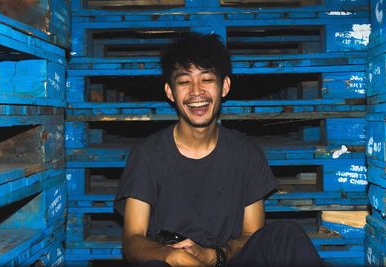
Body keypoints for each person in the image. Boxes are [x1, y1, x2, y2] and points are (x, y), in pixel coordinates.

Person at [114, 32, 324, 267]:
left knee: (286, 234)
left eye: (206, 80)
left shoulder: (247, 155)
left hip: (228, 261)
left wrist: (215, 255)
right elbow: (133, 240)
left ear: (224, 86)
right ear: (170, 92)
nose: (196, 92)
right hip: (170, 262)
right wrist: (170, 256)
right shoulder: (147, 155)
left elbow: (251, 236)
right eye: (184, 82)